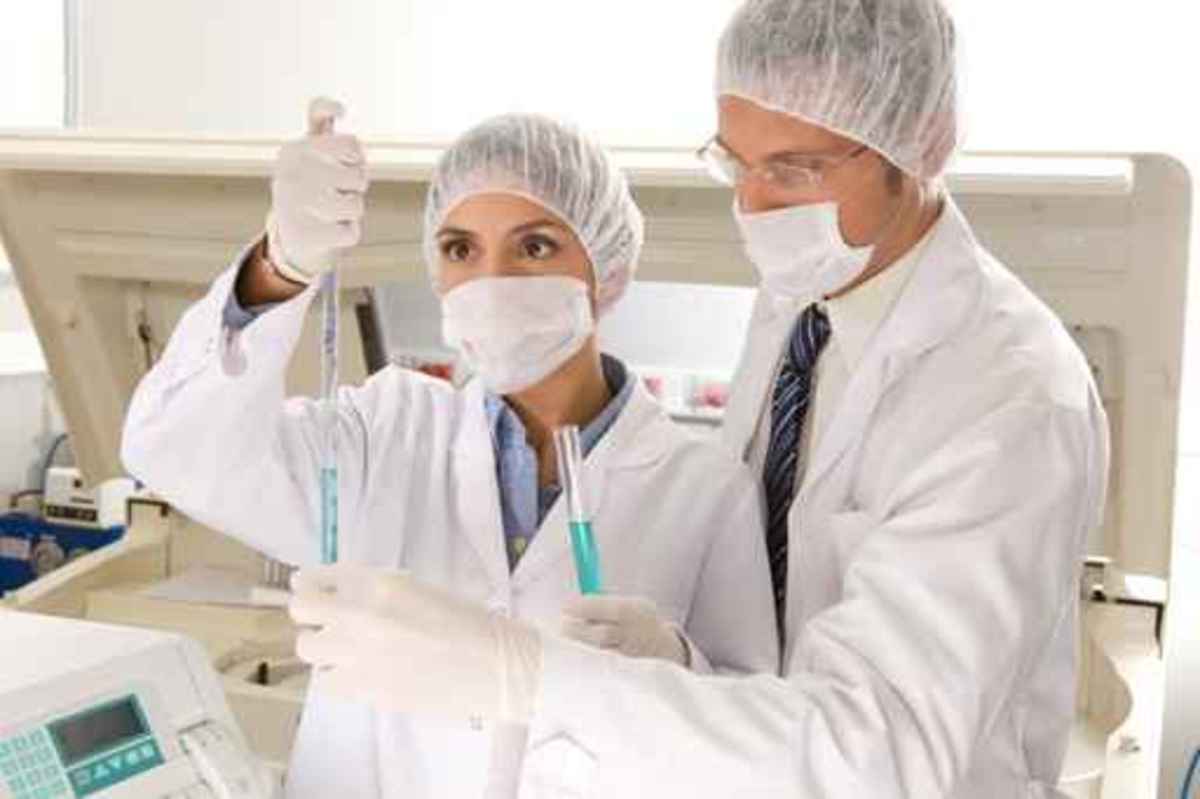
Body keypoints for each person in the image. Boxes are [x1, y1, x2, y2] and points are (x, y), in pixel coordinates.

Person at [287, 1, 1111, 797]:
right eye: (735, 163)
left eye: (795, 169)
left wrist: (528, 675)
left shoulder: (1009, 398)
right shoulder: (805, 297)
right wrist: (681, 664)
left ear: (923, 143)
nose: (753, 205)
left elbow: (876, 753)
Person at [120, 109, 777, 798]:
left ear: (606, 271)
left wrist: (678, 663)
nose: (492, 279)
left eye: (535, 246)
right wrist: (280, 267)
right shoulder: (383, 431)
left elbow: (758, 742)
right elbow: (173, 445)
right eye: (461, 248)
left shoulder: (704, 490)